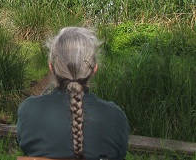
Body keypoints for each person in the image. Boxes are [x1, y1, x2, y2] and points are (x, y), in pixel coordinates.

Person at [17, 27, 129, 160]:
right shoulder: (115, 116)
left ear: (51, 67)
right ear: (94, 69)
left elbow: (25, 147)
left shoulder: (29, 110)